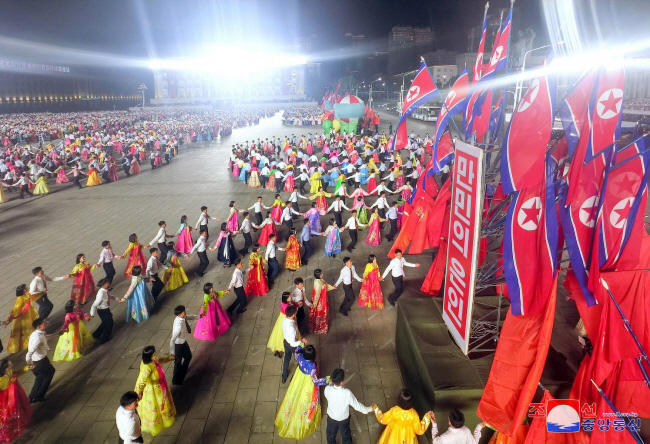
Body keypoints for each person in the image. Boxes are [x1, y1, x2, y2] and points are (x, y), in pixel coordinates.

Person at [275, 344, 329, 439]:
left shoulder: (299, 356)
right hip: (307, 382)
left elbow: (297, 350)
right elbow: (315, 381)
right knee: (307, 398)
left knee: (295, 393)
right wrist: (327, 379)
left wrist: (301, 344)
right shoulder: (312, 367)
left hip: (299, 378)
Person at [134, 346, 176, 436]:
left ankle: (165, 417)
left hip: (160, 385)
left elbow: (160, 360)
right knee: (157, 404)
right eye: (153, 353)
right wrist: (138, 392)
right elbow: (141, 380)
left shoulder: (153, 360)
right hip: (153, 389)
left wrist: (169, 358)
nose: (155, 354)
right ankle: (157, 422)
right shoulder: (146, 367)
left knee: (163, 402)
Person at [324, 368, 373, 444]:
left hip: (331, 418)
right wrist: (369, 409)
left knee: (330, 435)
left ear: (331, 379)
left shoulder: (327, 389)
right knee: (346, 435)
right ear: (342, 382)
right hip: (344, 419)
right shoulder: (347, 393)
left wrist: (330, 383)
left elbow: (329, 391)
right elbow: (357, 406)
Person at [26, 318, 55, 403]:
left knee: (39, 378)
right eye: (44, 323)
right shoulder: (37, 338)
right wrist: (30, 364)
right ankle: (39, 395)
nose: (46, 323)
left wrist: (59, 333)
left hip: (38, 360)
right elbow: (28, 354)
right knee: (48, 374)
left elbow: (45, 337)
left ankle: (32, 397)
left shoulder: (37, 333)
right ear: (39, 327)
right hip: (40, 361)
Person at [3, 285, 38, 353]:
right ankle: (28, 345)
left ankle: (34, 341)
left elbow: (33, 297)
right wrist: (9, 319)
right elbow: (15, 309)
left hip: (31, 314)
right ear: (23, 290)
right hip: (25, 318)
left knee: (33, 328)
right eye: (26, 288)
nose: (27, 288)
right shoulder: (20, 299)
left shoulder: (27, 294)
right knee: (27, 331)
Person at [169, 305, 194, 385]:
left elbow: (188, 317)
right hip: (178, 345)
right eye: (183, 311)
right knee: (178, 362)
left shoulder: (182, 318)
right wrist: (172, 353)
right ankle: (176, 379)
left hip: (183, 342)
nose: (185, 312)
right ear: (179, 314)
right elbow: (172, 340)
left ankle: (182, 373)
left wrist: (199, 316)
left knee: (188, 356)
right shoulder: (178, 326)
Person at [309, 269, 336, 334]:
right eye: (321, 274)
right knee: (319, 314)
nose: (322, 274)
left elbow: (326, 285)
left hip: (321, 298)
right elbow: (317, 294)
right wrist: (315, 304)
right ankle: (319, 328)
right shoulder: (318, 283)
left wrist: (332, 287)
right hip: (320, 300)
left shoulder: (319, 280)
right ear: (319, 275)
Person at [281, 305, 303, 384]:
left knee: (286, 358)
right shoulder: (291, 328)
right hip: (292, 345)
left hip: (285, 342)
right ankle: (298, 375)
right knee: (300, 358)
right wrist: (302, 342)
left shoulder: (285, 319)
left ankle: (284, 376)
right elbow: (293, 343)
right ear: (293, 314)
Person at [267, 292, 293, 358]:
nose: (291, 297)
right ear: (286, 299)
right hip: (285, 319)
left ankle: (278, 349)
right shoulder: (287, 306)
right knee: (283, 334)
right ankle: (280, 348)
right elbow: (289, 314)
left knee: (278, 333)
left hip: (281, 318)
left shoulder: (283, 303)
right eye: (289, 297)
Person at [90, 278, 114, 343]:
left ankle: (96, 334)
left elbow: (110, 296)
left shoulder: (105, 290)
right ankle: (104, 338)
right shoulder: (101, 294)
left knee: (105, 322)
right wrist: (92, 314)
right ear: (103, 285)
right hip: (103, 310)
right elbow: (94, 305)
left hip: (105, 309)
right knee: (109, 323)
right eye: (107, 283)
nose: (108, 284)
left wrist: (117, 299)